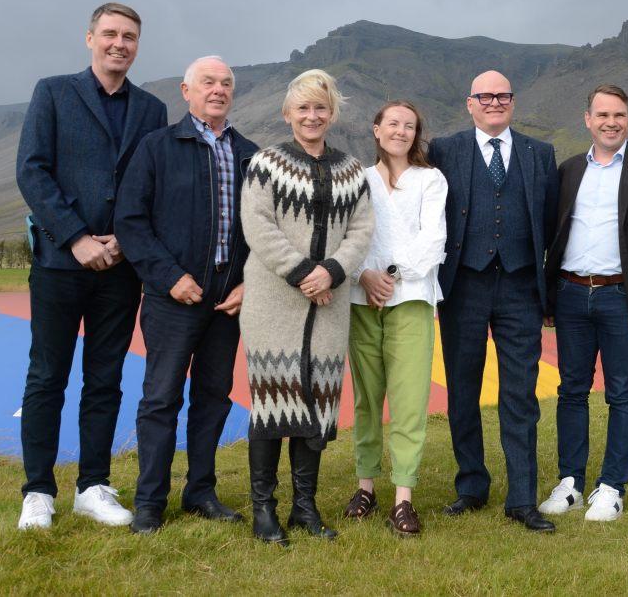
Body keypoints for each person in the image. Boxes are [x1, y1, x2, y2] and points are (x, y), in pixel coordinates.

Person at [15, 3, 168, 530]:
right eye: (110, 34)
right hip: (61, 263)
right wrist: (77, 237)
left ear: (137, 45)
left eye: (129, 36)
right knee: (46, 377)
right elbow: (32, 171)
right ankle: (37, 490)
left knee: (105, 379)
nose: (119, 44)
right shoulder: (53, 92)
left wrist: (125, 241)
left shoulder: (151, 109)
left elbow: (152, 185)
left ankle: (93, 486)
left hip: (121, 270)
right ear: (90, 38)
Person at [115, 56, 258, 534]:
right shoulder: (157, 147)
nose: (217, 90)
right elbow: (131, 222)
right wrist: (169, 276)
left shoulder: (249, 154)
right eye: (207, 83)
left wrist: (246, 282)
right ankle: (150, 502)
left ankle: (201, 491)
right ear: (186, 90)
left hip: (226, 301)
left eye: (225, 84)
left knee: (214, 396)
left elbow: (263, 230)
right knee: (160, 398)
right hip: (172, 297)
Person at [238, 68, 374, 545]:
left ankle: (305, 508)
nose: (312, 116)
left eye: (321, 107)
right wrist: (302, 273)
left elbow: (361, 230)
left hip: (331, 305)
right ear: (287, 114)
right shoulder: (265, 164)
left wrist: (332, 271)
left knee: (317, 405)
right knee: (273, 403)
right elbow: (257, 225)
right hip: (274, 301)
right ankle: (263, 510)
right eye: (303, 108)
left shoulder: (352, 170)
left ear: (331, 113)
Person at [428, 70, 558, 533]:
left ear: (513, 101)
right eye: (486, 96)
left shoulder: (540, 154)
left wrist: (550, 292)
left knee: (520, 394)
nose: (495, 102)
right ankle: (471, 487)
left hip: (522, 288)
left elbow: (552, 225)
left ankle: (522, 499)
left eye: (503, 95)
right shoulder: (444, 150)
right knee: (462, 389)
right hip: (463, 286)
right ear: (470, 103)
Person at [539, 85, 628, 522]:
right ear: (587, 119)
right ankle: (570, 484)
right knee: (571, 391)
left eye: (618, 115)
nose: (610, 122)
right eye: (602, 115)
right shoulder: (569, 169)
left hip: (622, 298)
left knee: (622, 393)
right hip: (572, 294)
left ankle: (612, 487)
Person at [343, 101, 448, 537]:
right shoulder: (357, 179)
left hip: (412, 300)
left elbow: (433, 238)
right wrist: (363, 275)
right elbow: (346, 235)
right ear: (376, 129)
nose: (401, 131)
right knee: (367, 399)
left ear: (416, 133)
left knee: (408, 402)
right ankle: (365, 486)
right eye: (393, 123)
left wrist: (389, 276)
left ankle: (403, 499)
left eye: (409, 126)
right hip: (360, 301)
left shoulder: (430, 180)